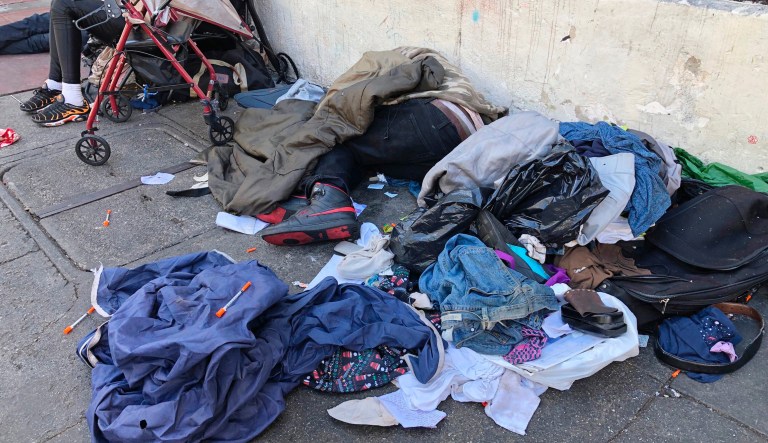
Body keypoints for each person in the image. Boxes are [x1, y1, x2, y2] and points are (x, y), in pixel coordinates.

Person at [258, 97, 484, 246]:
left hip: (440, 119)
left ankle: (326, 200)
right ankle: (319, 198)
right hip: (456, 150)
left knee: (336, 137)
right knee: (364, 159)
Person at [18, 0, 126, 126]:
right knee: (58, 5)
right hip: (127, 13)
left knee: (62, 5)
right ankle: (56, 85)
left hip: (136, 23)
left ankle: (73, 99)